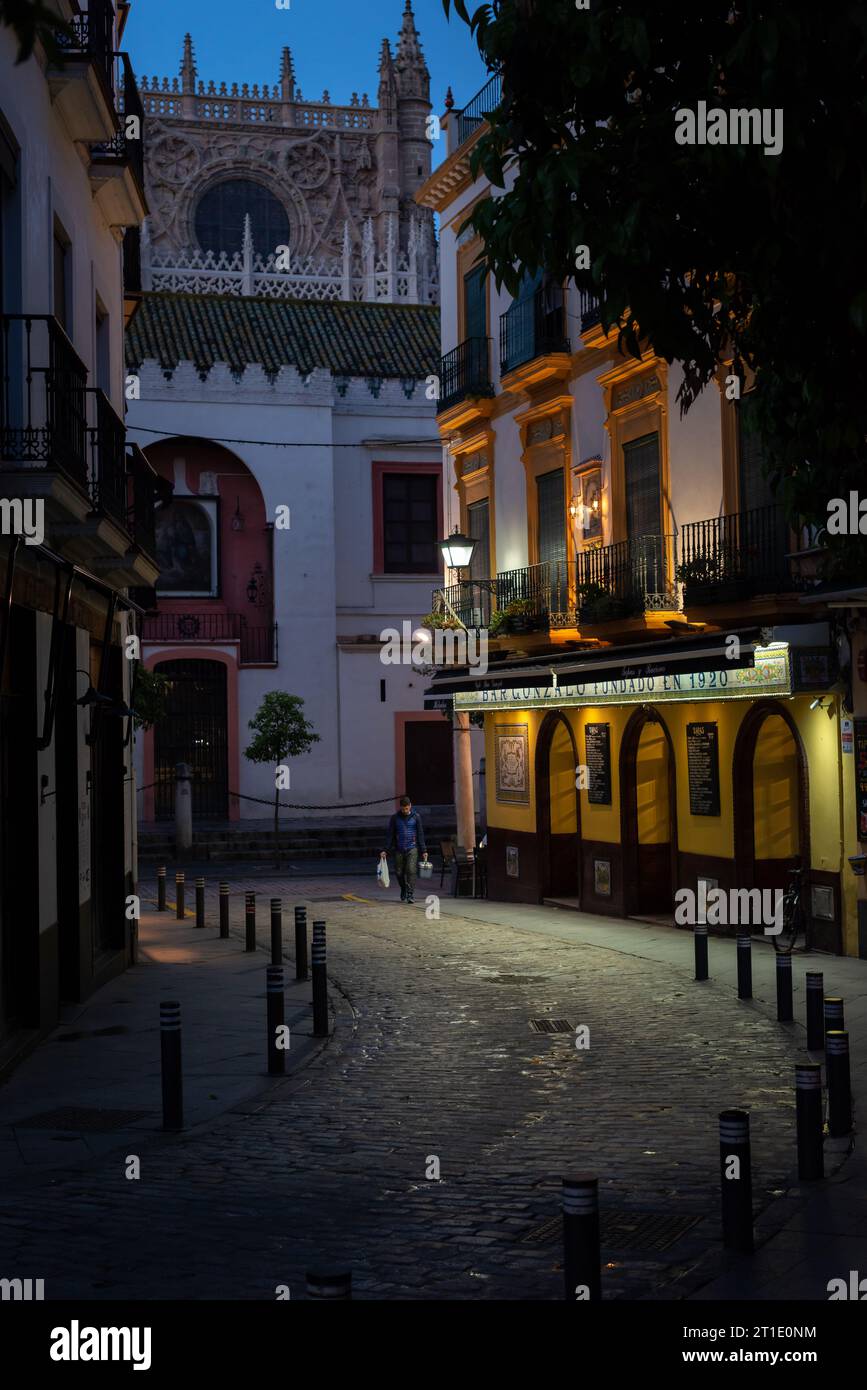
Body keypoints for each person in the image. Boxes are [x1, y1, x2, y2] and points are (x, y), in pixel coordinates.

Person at [382, 796, 428, 904]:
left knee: (411, 871)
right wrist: (385, 850)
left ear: (410, 806)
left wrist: (424, 850)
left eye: (406, 809)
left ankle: (410, 894)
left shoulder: (416, 817)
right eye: (403, 809)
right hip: (399, 849)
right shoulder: (395, 818)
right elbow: (390, 835)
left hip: (412, 848)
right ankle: (403, 888)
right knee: (399, 872)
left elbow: (420, 834)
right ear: (400, 807)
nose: (405, 811)